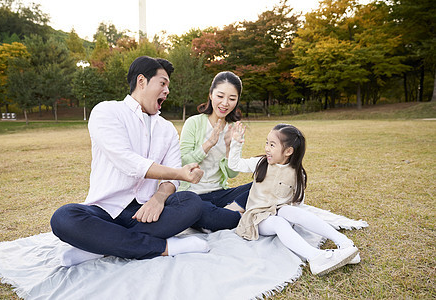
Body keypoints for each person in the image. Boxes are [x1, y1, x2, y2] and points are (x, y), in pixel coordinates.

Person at [50, 56, 210, 267]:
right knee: (63, 218)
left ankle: (100, 246)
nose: (167, 90)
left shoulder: (167, 129)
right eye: (162, 83)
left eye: (168, 86)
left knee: (191, 203)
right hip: (104, 210)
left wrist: (159, 198)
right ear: (141, 81)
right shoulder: (106, 111)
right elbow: (128, 161)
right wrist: (180, 173)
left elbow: (171, 179)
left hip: (146, 212)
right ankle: (166, 248)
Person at [228, 123, 360, 276]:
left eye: (272, 145)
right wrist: (236, 142)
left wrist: (288, 212)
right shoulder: (261, 163)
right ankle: (316, 257)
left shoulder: (296, 174)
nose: (267, 148)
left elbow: (298, 202)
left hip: (278, 212)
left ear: (288, 151)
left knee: (289, 210)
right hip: (258, 220)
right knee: (279, 222)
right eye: (267, 143)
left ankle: (344, 242)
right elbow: (234, 164)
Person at [179, 71, 252, 232]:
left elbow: (232, 174)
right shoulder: (194, 123)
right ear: (211, 95)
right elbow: (183, 162)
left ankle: (227, 214)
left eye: (232, 99)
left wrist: (229, 148)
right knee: (195, 211)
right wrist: (210, 143)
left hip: (220, 194)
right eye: (220, 96)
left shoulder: (233, 128)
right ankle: (243, 216)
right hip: (193, 196)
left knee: (263, 185)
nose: (225, 103)